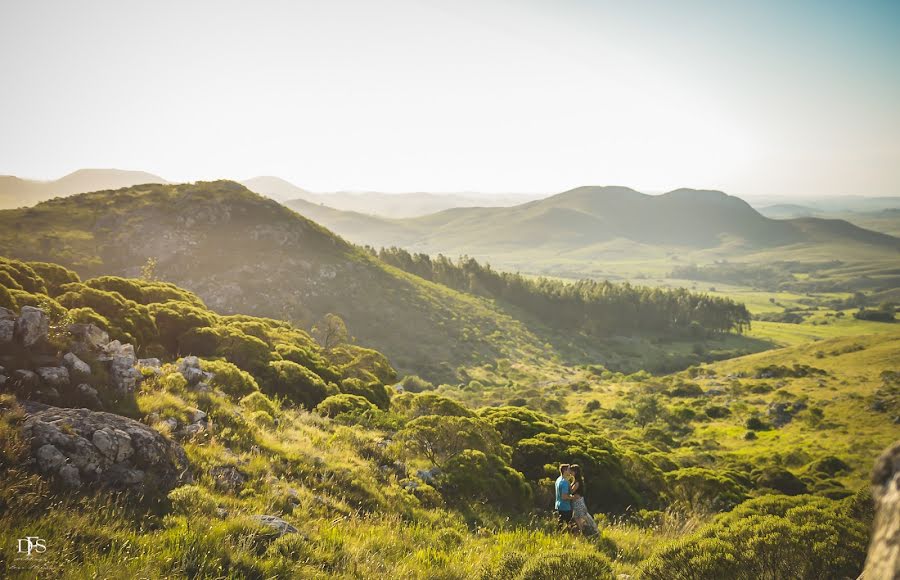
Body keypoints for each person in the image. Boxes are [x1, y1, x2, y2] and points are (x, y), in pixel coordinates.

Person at [569, 464, 599, 536]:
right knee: (579, 518)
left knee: (580, 517)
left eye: (572, 471)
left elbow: (571, 491)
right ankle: (584, 531)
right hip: (577, 501)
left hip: (578, 502)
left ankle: (586, 532)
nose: (570, 473)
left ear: (575, 472)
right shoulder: (575, 480)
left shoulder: (577, 482)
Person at [554, 463, 574, 529]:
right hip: (565, 507)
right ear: (565, 471)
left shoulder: (558, 480)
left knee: (560, 525)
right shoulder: (564, 482)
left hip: (558, 505)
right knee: (571, 526)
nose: (570, 471)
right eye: (569, 469)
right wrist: (573, 497)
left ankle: (558, 537)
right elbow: (564, 497)